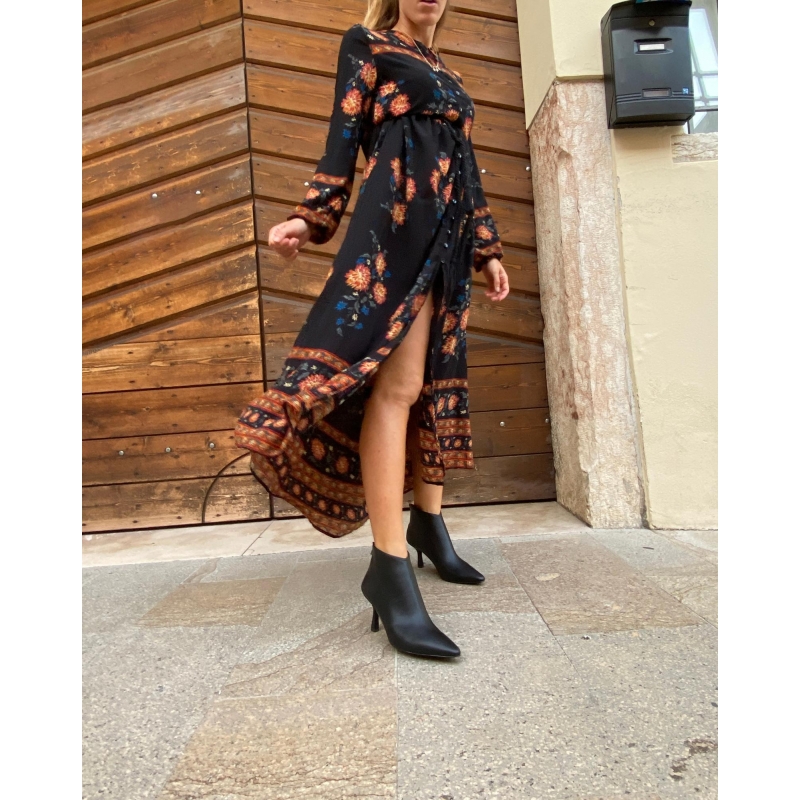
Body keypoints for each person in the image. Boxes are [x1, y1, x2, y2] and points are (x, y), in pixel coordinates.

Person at [234, 0, 509, 659]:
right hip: (395, 235)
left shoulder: (447, 73)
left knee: (431, 385)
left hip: (448, 242)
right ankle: (388, 566)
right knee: (398, 387)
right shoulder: (367, 44)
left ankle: (428, 527)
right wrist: (311, 218)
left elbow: (466, 169)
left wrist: (486, 249)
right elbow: (342, 137)